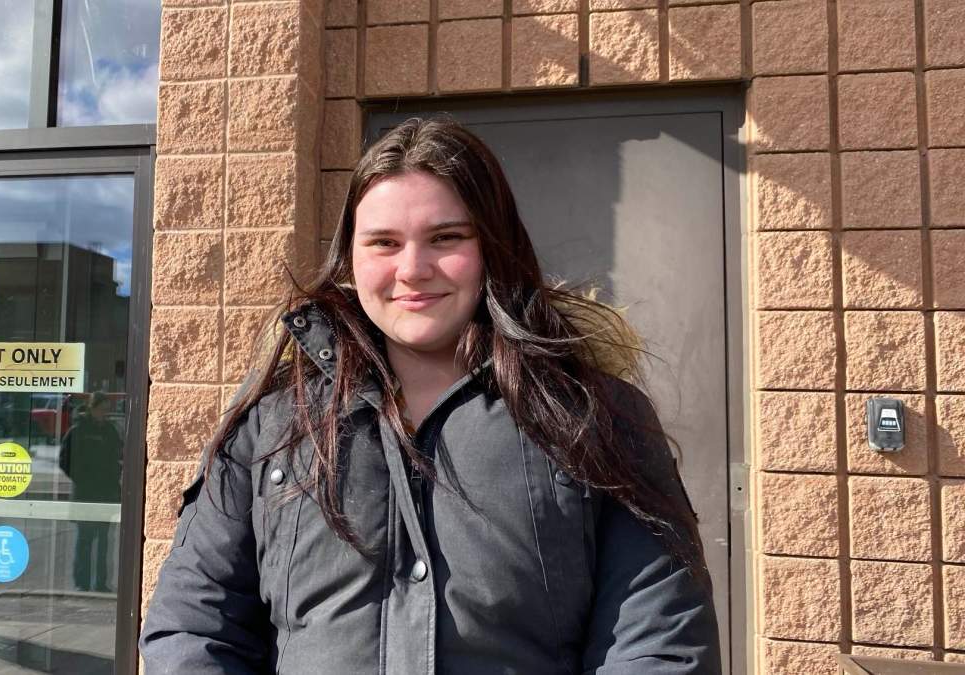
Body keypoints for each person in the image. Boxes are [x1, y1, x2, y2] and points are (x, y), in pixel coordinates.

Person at [140, 117, 720, 673]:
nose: (412, 268)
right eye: (384, 243)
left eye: (445, 237)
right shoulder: (271, 426)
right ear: (351, 258)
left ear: (494, 245)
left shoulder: (595, 417)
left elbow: (659, 640)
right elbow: (194, 624)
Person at [59, 391, 123, 592]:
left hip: (106, 493)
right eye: (102, 409)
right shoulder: (77, 431)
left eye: (107, 410)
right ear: (93, 408)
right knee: (85, 540)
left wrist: (113, 479)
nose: (105, 413)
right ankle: (82, 582)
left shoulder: (110, 431)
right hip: (85, 493)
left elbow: (118, 457)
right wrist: (82, 479)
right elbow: (65, 460)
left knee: (104, 542)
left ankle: (101, 583)